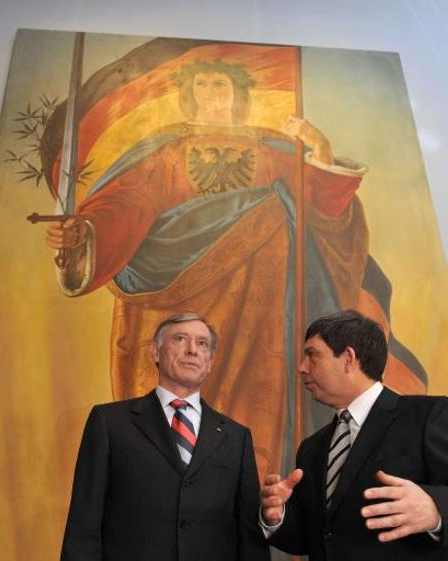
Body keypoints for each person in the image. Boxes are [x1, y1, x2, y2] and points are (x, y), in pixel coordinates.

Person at [45, 55, 425, 481]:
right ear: (189, 96)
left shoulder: (272, 147)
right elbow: (124, 205)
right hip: (179, 293)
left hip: (261, 302)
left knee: (254, 399)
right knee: (179, 395)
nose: (212, 94)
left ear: (238, 95)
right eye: (203, 85)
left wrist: (320, 152)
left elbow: (321, 207)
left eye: (221, 85)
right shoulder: (163, 150)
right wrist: (87, 233)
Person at [60, 311, 270, 561]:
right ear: (156, 352)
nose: (192, 350)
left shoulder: (236, 437)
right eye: (180, 339)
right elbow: (84, 524)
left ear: (210, 361)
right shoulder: (110, 423)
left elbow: (249, 536)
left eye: (202, 344)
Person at [260, 310, 448, 561]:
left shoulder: (429, 415)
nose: (302, 368)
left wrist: (435, 511)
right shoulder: (311, 448)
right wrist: (277, 517)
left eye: (312, 355)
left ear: (348, 358)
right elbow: (315, 537)